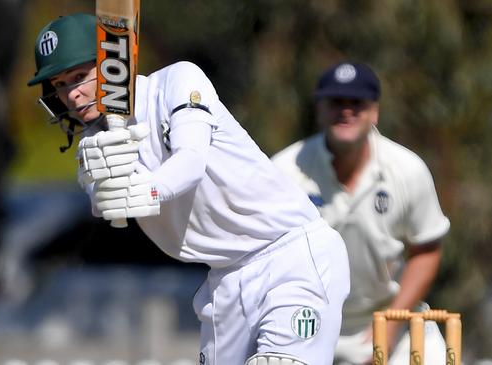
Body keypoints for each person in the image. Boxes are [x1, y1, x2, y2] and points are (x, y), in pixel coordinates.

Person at [28, 13, 350, 365]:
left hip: (289, 254)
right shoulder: (95, 146)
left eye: (79, 77)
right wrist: (105, 192)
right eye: (60, 84)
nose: (71, 94)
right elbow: (104, 202)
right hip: (224, 278)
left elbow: (191, 162)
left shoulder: (177, 82)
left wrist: (148, 189)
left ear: (112, 63)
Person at [271, 61, 450, 364]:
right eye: (336, 102)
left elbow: (427, 248)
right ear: (320, 110)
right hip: (305, 321)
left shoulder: (407, 169)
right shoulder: (285, 170)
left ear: (375, 112)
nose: (346, 111)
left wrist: (390, 325)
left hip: (388, 313)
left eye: (357, 103)